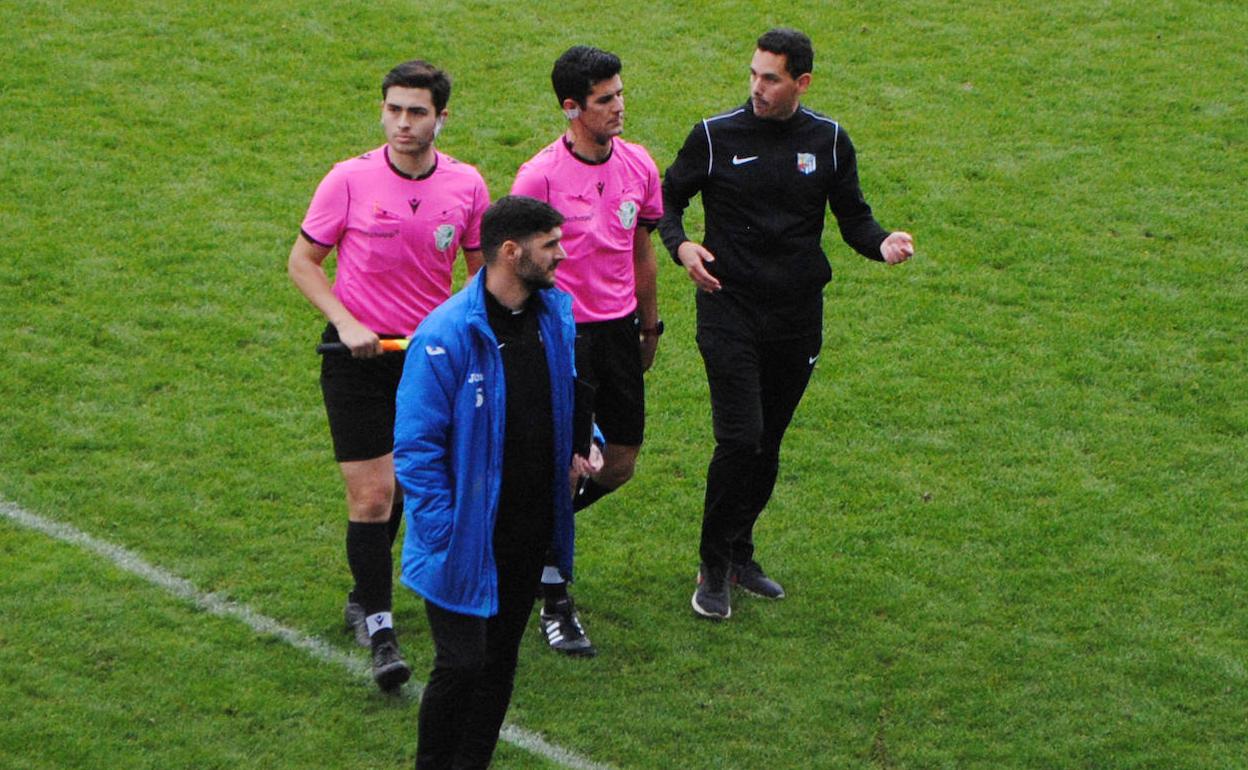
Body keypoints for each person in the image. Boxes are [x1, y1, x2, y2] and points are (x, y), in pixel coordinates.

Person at [659, 28, 915, 621]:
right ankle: (713, 565)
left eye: (770, 78)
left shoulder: (827, 141)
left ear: (801, 83)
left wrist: (883, 245)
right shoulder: (715, 136)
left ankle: (742, 553)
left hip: (797, 316)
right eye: (753, 74)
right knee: (740, 436)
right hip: (729, 308)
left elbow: (853, 217)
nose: (756, 87)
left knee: (768, 441)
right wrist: (682, 247)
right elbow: (665, 200)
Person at [287, 60, 489, 689]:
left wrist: (459, 336)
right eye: (394, 110)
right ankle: (379, 628)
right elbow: (304, 262)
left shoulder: (467, 186)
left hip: (427, 362)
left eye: (417, 112)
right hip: (355, 361)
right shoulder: (348, 180)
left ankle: (362, 591)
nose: (403, 123)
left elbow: (478, 275)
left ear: (441, 118)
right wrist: (346, 322)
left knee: (407, 487)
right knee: (372, 496)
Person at [395, 195, 594, 768]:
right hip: (465, 533)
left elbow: (565, 389)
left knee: (500, 661)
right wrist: (440, 530)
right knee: (460, 666)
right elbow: (416, 447)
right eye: (550, 244)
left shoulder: (555, 311)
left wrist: (589, 442)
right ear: (511, 252)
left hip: (527, 525)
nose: (562, 255)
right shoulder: (448, 333)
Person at [510, 45, 663, 656]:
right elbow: (516, 267)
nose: (620, 107)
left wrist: (650, 330)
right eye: (606, 100)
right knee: (569, 464)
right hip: (561, 337)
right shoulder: (538, 177)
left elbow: (641, 252)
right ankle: (555, 599)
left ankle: (530, 531)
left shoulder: (639, 165)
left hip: (621, 332)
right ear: (572, 108)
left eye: (621, 93)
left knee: (619, 464)